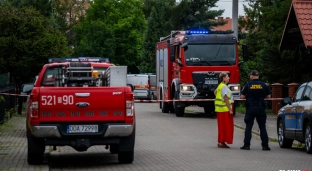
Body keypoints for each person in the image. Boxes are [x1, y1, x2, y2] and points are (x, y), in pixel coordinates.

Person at [240, 70, 271, 151]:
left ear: (252, 76)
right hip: (261, 108)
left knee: (248, 127)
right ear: (258, 76)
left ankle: (246, 145)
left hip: (251, 108)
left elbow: (242, 97)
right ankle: (265, 146)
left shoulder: (248, 85)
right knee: (262, 127)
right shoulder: (263, 85)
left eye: (250, 75)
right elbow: (268, 96)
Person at [214, 72, 234, 148]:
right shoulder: (224, 87)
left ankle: (221, 141)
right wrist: (230, 109)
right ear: (224, 78)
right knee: (226, 127)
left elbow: (215, 92)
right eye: (227, 76)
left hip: (219, 109)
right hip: (225, 110)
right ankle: (222, 142)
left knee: (221, 127)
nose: (229, 78)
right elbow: (225, 98)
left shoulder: (220, 86)